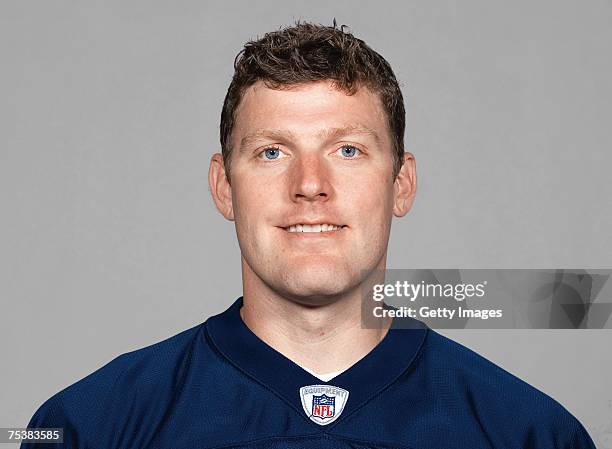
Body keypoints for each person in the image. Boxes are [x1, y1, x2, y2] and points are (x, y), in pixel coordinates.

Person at [22, 21, 596, 449]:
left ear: (402, 183)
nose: (311, 185)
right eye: (273, 152)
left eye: (347, 151)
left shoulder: (529, 433)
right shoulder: (87, 427)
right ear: (224, 187)